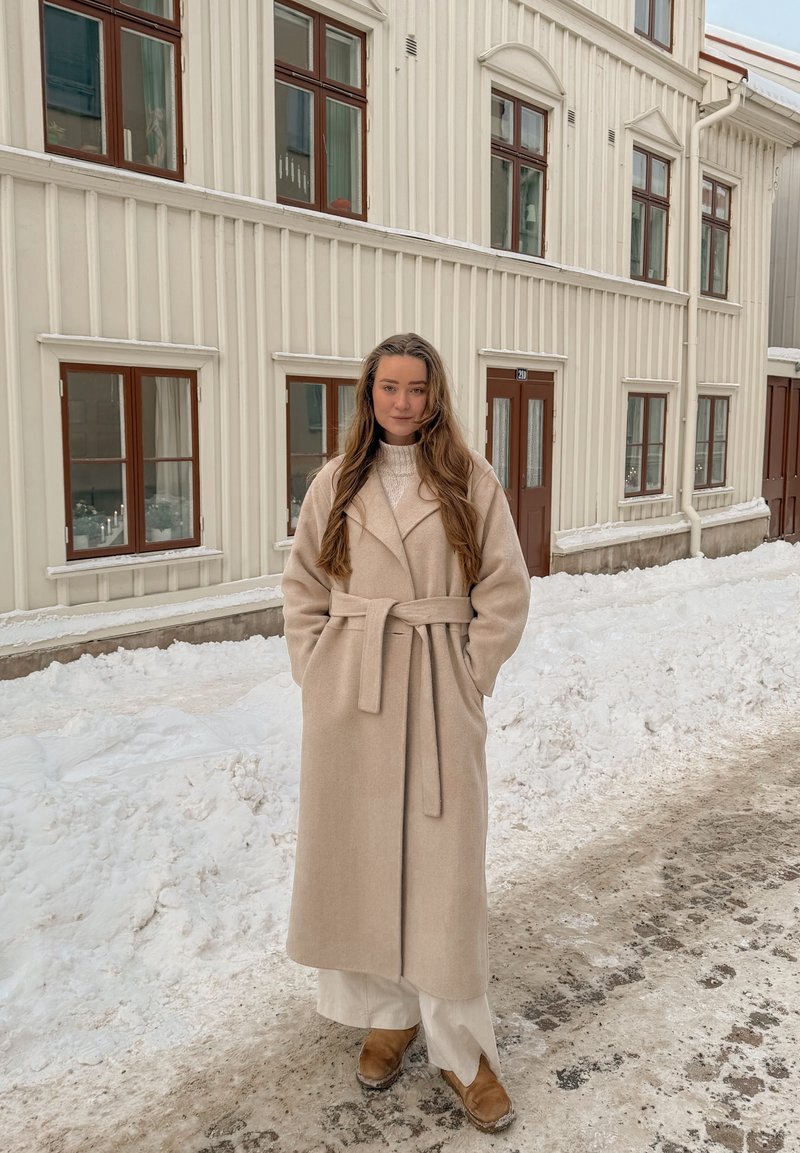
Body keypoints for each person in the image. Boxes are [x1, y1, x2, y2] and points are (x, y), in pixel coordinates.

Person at [281, 333, 531, 1133]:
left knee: (443, 867)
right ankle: (387, 1015)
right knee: (365, 859)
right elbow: (303, 586)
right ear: (369, 393)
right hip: (353, 694)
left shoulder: (467, 476)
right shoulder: (338, 480)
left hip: (434, 688)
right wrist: (317, 671)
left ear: (434, 394)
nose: (402, 401)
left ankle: (462, 1047)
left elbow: (505, 585)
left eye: (416, 388)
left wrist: (470, 671)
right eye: (389, 386)